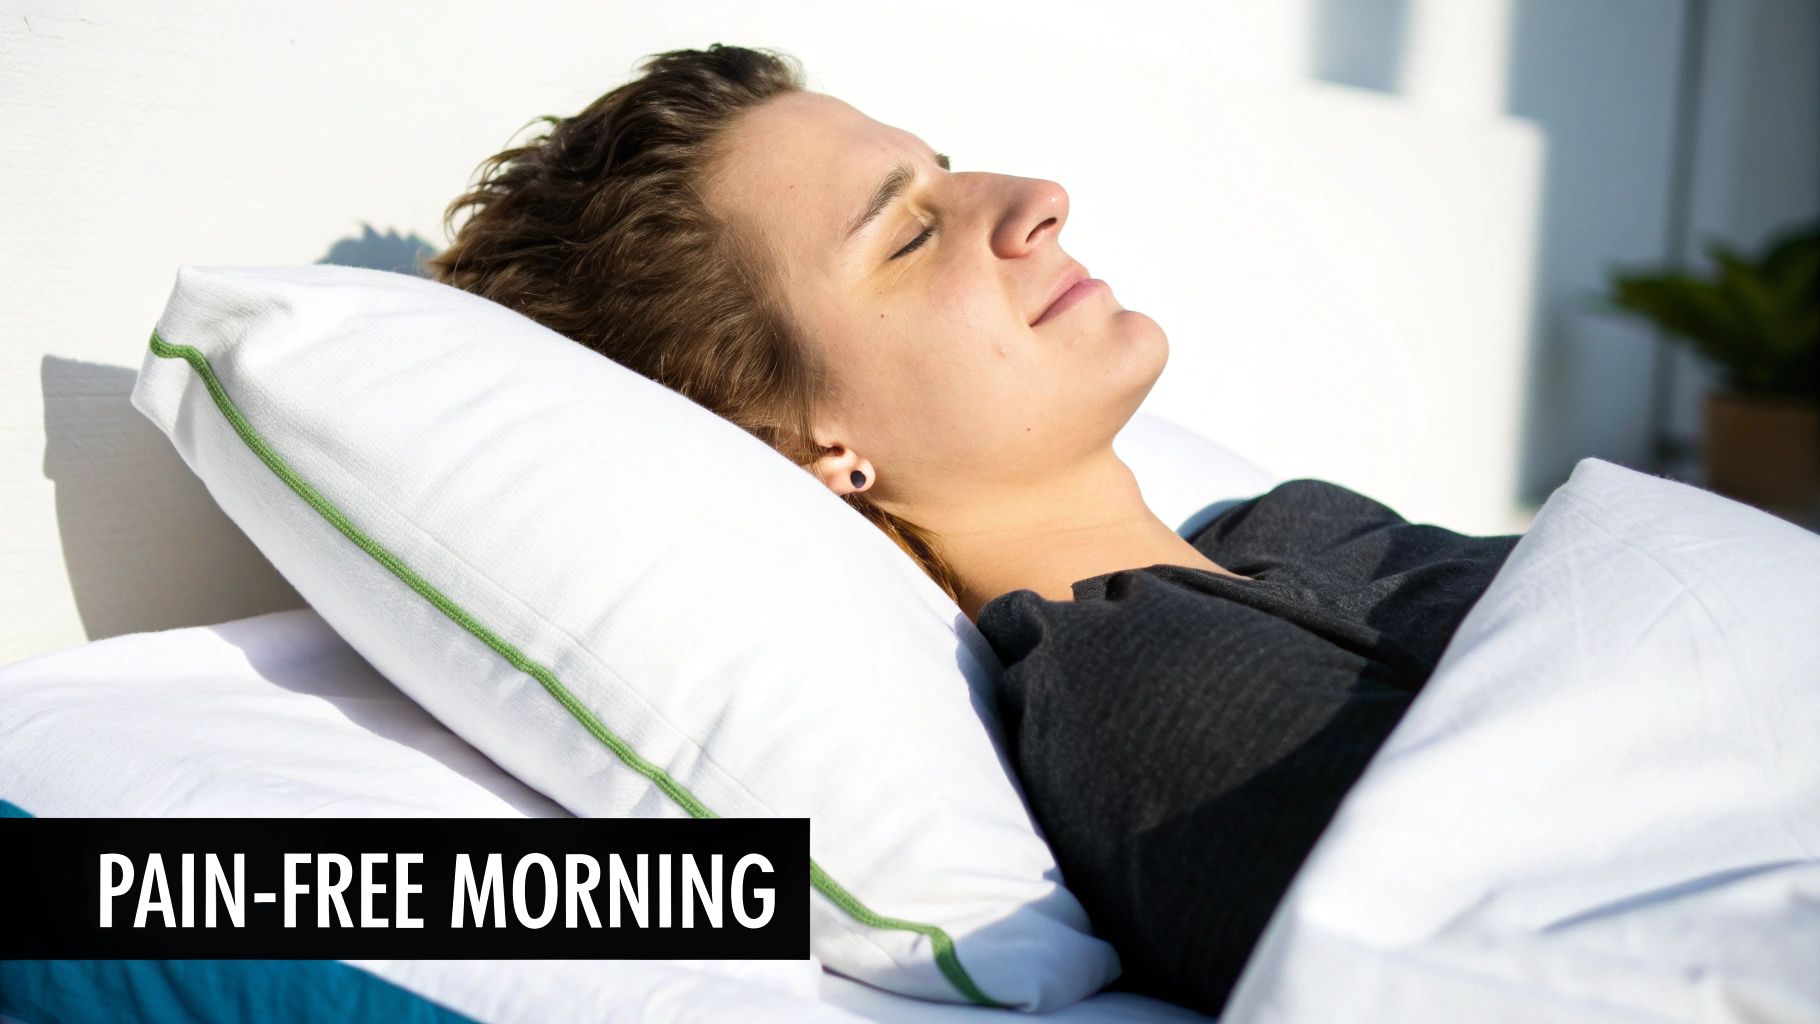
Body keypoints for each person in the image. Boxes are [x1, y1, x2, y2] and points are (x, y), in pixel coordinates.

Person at [426, 44, 1522, 1016]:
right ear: (810, 446)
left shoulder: (1288, 527)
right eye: (907, 234)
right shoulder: (1140, 691)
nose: (1038, 199)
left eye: (946, 174)